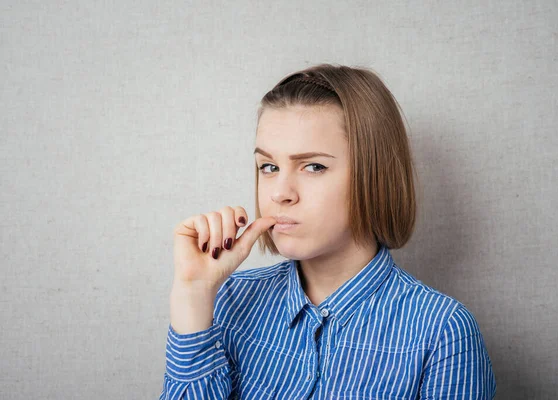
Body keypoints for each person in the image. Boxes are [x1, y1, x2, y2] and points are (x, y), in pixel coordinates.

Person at [159, 64, 497, 399]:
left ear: (372, 176)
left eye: (313, 166)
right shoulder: (228, 301)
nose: (280, 193)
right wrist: (193, 293)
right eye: (270, 167)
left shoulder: (442, 333)